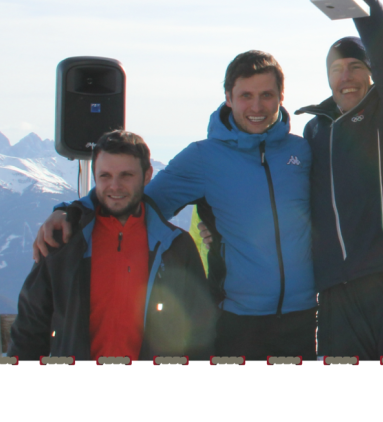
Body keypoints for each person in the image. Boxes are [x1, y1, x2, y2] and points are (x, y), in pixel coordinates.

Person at [33, 51, 315, 360]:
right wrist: (70, 210)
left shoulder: (302, 152)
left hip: (304, 318)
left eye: (267, 95)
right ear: (228, 98)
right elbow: (134, 198)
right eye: (246, 95)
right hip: (238, 320)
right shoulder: (203, 158)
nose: (257, 106)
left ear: (281, 96)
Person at [292, 0, 383, 360]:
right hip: (332, 290)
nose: (346, 78)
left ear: (371, 73)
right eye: (336, 70)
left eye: (356, 67)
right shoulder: (314, 131)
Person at [9, 130, 215, 362]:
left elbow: (199, 334)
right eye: (105, 176)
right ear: (94, 176)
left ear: (147, 175)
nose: (115, 186)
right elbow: (30, 328)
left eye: (126, 175)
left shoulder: (175, 246)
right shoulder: (64, 241)